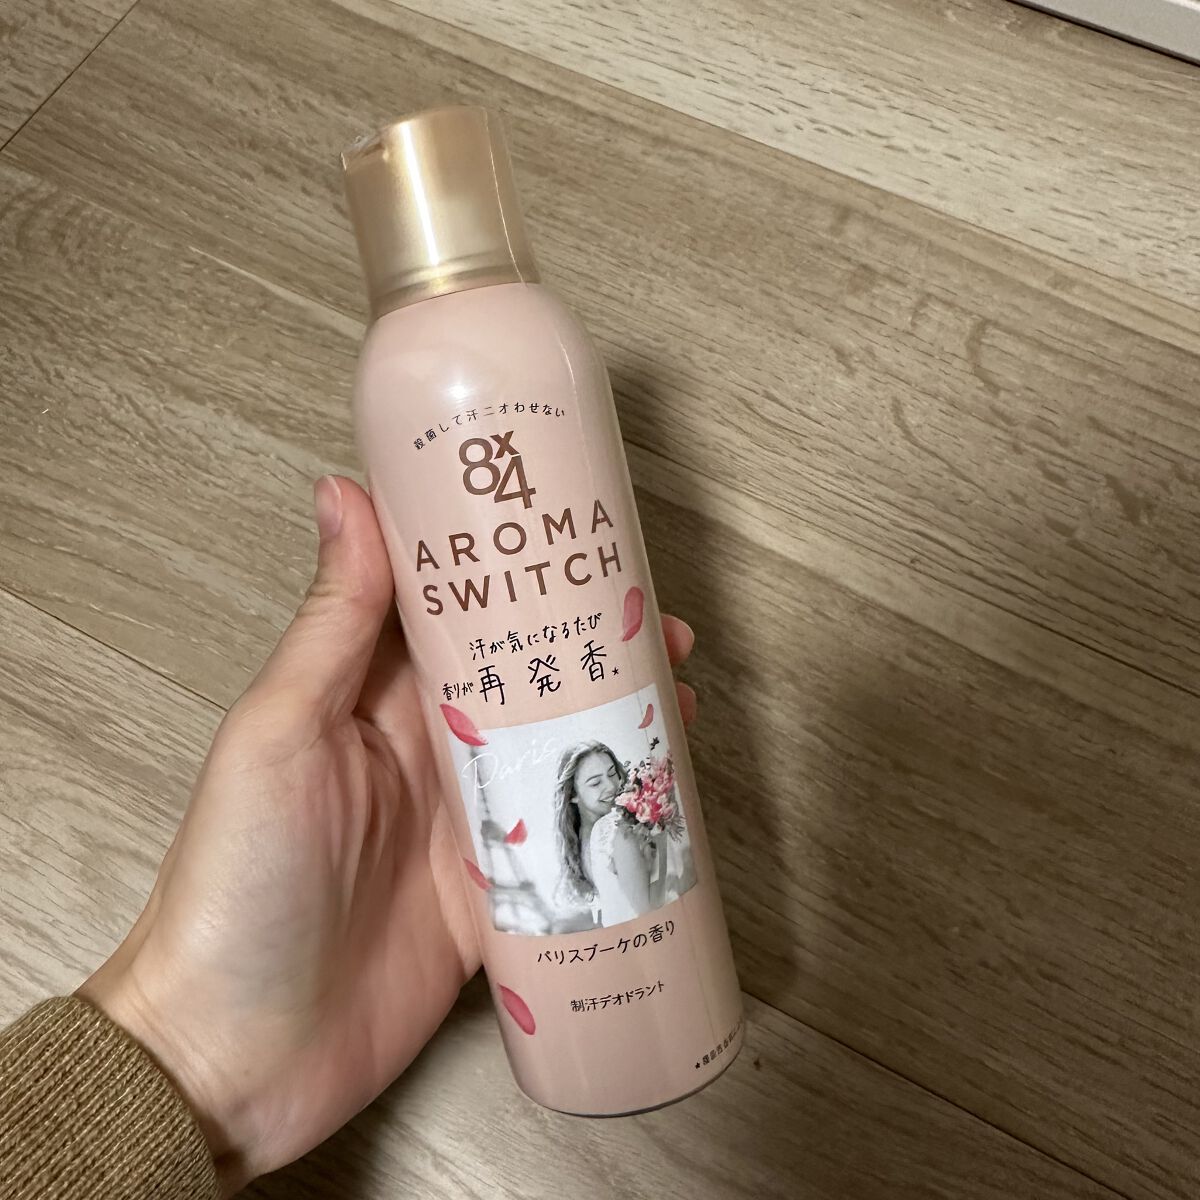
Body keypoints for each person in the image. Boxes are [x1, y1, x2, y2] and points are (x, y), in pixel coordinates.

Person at [0, 475, 698, 1199]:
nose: (607, 784)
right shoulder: (588, 849)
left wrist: (187, 1058)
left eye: (609, 775)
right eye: (592, 778)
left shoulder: (612, 835)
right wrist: (183, 1059)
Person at [553, 741, 657, 927]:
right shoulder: (613, 828)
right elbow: (646, 912)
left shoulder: (579, 843)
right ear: (572, 795)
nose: (611, 786)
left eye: (612, 773)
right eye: (595, 783)